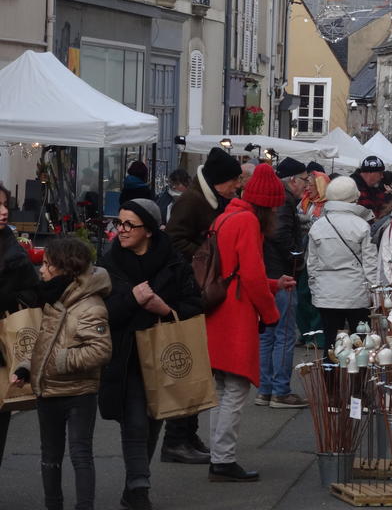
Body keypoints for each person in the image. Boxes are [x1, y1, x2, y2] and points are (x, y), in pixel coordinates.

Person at [98, 199, 203, 510]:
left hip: (163, 354)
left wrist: (166, 310)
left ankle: (133, 488)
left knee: (154, 417)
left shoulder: (174, 262)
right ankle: (140, 488)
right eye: (119, 223)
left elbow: (195, 306)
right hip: (125, 354)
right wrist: (132, 299)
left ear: (150, 231)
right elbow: (100, 314)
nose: (122, 230)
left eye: (130, 224)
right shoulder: (109, 264)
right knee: (134, 422)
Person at [206, 164, 295, 482]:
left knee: (221, 388)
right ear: (267, 205)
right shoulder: (247, 222)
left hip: (218, 309)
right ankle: (224, 459)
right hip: (236, 313)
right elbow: (252, 276)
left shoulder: (226, 216)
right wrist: (271, 313)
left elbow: (235, 272)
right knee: (235, 388)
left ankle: (218, 455)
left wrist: (274, 283)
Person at [13, 237, 112, 510]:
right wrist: (26, 366)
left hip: (79, 392)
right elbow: (42, 341)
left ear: (64, 268)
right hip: (49, 390)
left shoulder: (89, 305)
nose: (41, 270)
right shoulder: (52, 299)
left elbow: (101, 351)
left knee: (80, 454)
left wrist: (59, 360)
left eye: (47, 264)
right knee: (50, 456)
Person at [164, 147, 242, 463]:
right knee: (191, 370)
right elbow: (173, 240)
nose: (236, 185)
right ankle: (175, 438)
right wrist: (207, 255)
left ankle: (186, 434)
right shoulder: (193, 201)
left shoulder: (204, 199)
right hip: (187, 294)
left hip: (195, 293)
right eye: (234, 180)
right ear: (218, 181)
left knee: (198, 369)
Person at [255, 157, 309, 409]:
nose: (308, 185)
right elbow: (280, 235)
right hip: (281, 276)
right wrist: (297, 257)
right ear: (292, 180)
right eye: (305, 180)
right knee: (283, 335)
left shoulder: (277, 200)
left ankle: (265, 390)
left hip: (269, 274)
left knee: (268, 334)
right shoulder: (284, 201)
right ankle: (280, 391)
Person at [307, 177, 379, 350]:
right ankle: (357, 377)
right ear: (354, 196)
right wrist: (375, 294)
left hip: (326, 294)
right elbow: (370, 266)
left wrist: (316, 290)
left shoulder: (318, 226)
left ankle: (330, 376)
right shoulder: (362, 225)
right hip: (356, 294)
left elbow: (312, 265)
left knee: (331, 343)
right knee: (359, 345)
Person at [0, 182, 39, 469]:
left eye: (5, 205)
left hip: (3, 351)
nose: (4, 212)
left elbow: (32, 299)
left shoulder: (14, 255)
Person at [296, 171, 330, 347]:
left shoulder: (328, 205)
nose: (307, 186)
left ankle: (316, 336)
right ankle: (306, 332)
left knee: (314, 296)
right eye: (307, 183)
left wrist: (303, 220)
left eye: (310, 183)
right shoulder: (304, 202)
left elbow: (316, 225)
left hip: (319, 258)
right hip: (303, 256)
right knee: (301, 297)